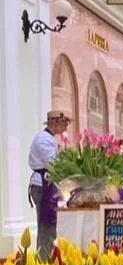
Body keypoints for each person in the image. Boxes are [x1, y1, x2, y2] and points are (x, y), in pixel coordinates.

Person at [28, 109, 71, 256]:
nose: (67, 125)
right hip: (43, 186)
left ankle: (45, 260)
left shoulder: (49, 138)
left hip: (48, 185)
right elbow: (53, 164)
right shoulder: (43, 139)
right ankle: (43, 262)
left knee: (49, 227)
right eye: (65, 122)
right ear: (55, 122)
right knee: (46, 227)